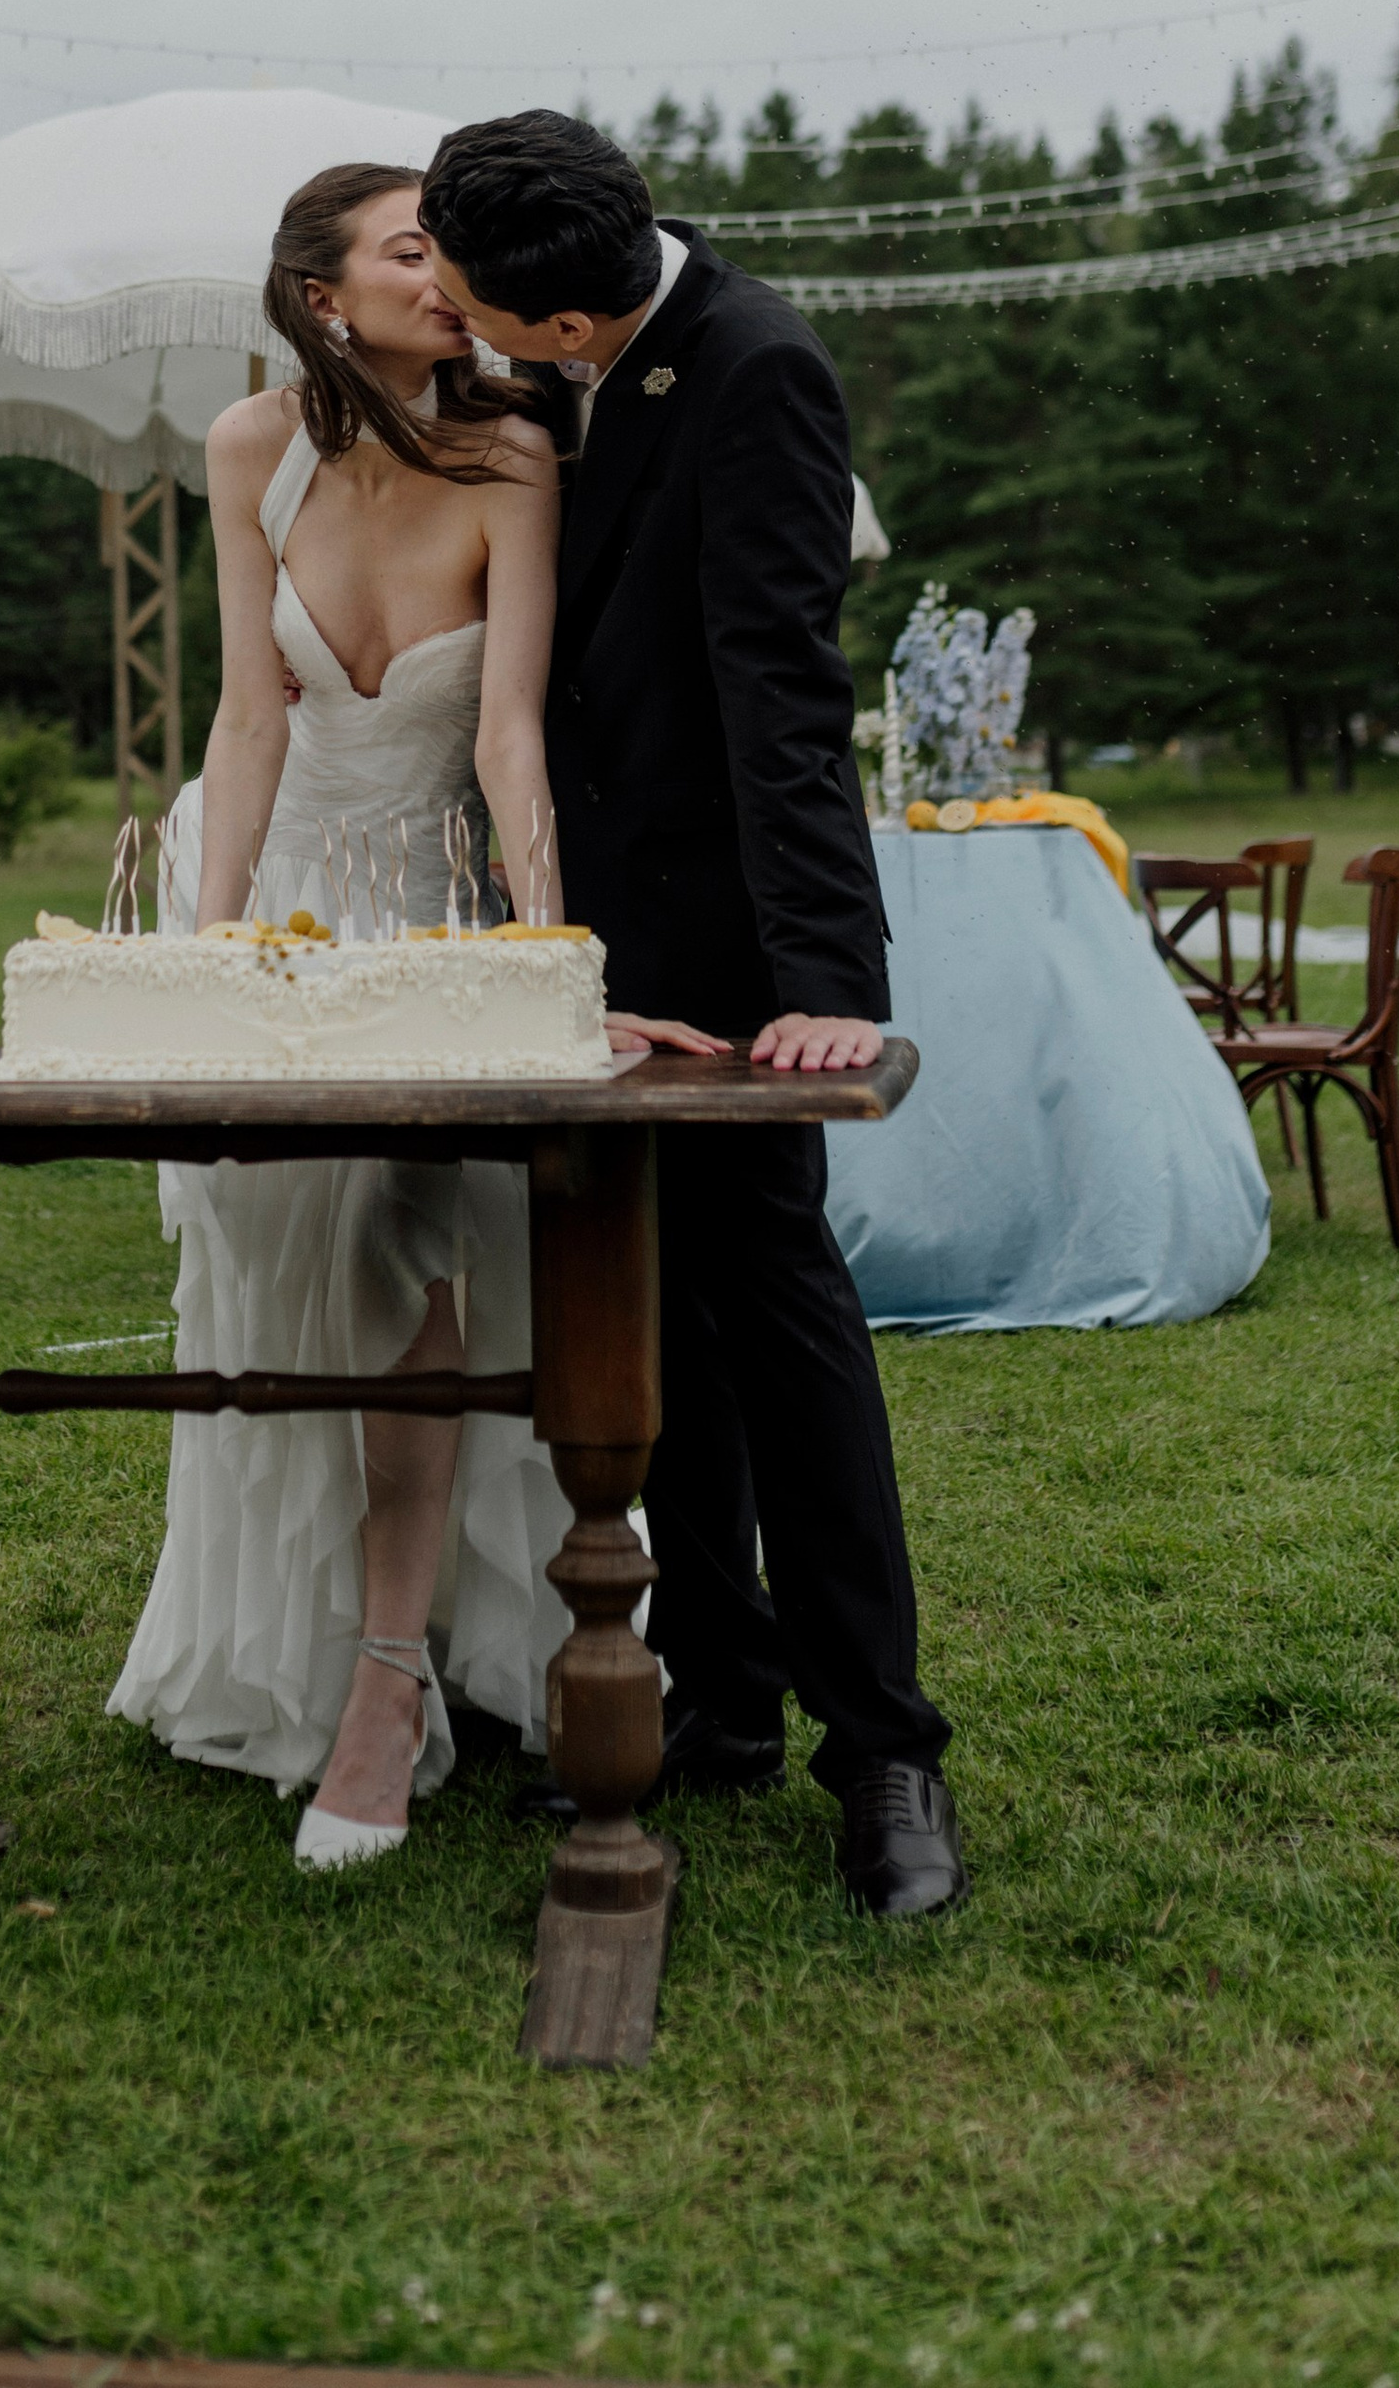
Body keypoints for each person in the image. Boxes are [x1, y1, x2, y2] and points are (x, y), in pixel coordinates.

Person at [106, 162, 718, 1868]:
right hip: (282, 899)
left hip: (449, 898)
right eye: (410, 249)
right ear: (323, 294)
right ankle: (356, 1641)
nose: (447, 273)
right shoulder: (247, 454)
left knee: (409, 1241)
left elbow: (510, 730)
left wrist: (547, 955)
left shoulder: (521, 451)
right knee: (286, 1278)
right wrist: (202, 959)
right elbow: (248, 721)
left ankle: (389, 1688)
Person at [418, 107, 967, 1919]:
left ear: (569, 322)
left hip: (738, 970)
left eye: (489, 310)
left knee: (785, 1335)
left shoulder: (758, 370)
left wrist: (823, 987)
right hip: (602, 960)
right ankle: (722, 1698)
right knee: (666, 1343)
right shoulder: (578, 367)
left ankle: (884, 1753)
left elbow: (781, 694)